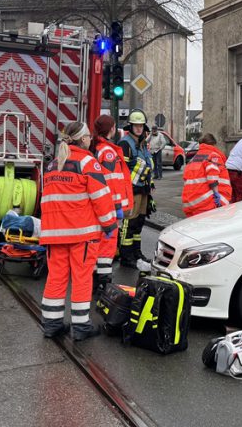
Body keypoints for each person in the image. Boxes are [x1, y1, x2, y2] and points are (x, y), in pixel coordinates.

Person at [38, 121, 118, 341]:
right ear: (83, 139)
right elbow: (101, 197)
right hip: (81, 234)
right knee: (82, 278)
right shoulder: (87, 162)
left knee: (56, 277)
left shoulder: (54, 164)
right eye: (88, 137)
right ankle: (81, 326)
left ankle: (52, 324)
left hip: (54, 234)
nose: (91, 140)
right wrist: (110, 224)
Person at [90, 115, 131, 295]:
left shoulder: (98, 149)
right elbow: (112, 181)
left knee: (97, 246)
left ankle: (94, 281)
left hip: (100, 205)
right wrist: (118, 208)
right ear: (111, 129)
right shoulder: (107, 152)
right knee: (106, 248)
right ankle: (103, 284)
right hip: (109, 207)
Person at [117, 109, 155, 268]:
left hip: (143, 189)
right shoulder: (126, 143)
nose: (139, 128)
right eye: (136, 126)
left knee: (139, 223)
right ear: (130, 126)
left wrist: (150, 185)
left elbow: (147, 164)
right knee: (129, 224)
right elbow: (122, 168)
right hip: (131, 190)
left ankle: (136, 253)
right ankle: (126, 257)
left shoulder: (142, 143)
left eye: (141, 126)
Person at [182, 133, 232, 217]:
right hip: (207, 202)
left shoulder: (194, 158)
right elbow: (212, 177)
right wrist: (217, 195)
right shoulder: (212, 155)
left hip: (190, 202)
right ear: (213, 144)